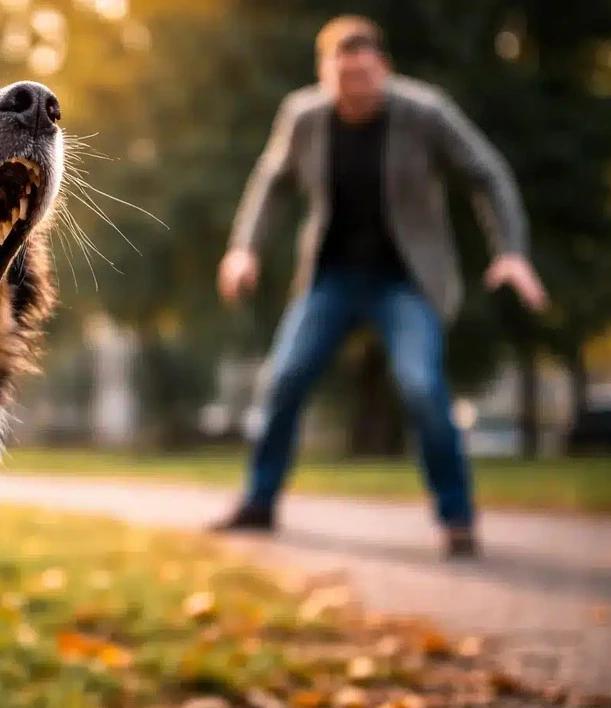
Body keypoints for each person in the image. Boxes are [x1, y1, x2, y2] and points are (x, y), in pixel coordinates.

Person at [212, 15, 547, 558]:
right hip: (333, 277)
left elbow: (486, 172)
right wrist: (244, 248)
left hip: (406, 279)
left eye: (365, 77)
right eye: (343, 79)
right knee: (286, 376)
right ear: (325, 75)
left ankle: (457, 518)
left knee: (420, 385)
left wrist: (510, 251)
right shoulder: (304, 116)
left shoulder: (424, 112)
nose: (355, 90)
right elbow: (271, 182)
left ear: (383, 70)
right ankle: (259, 502)